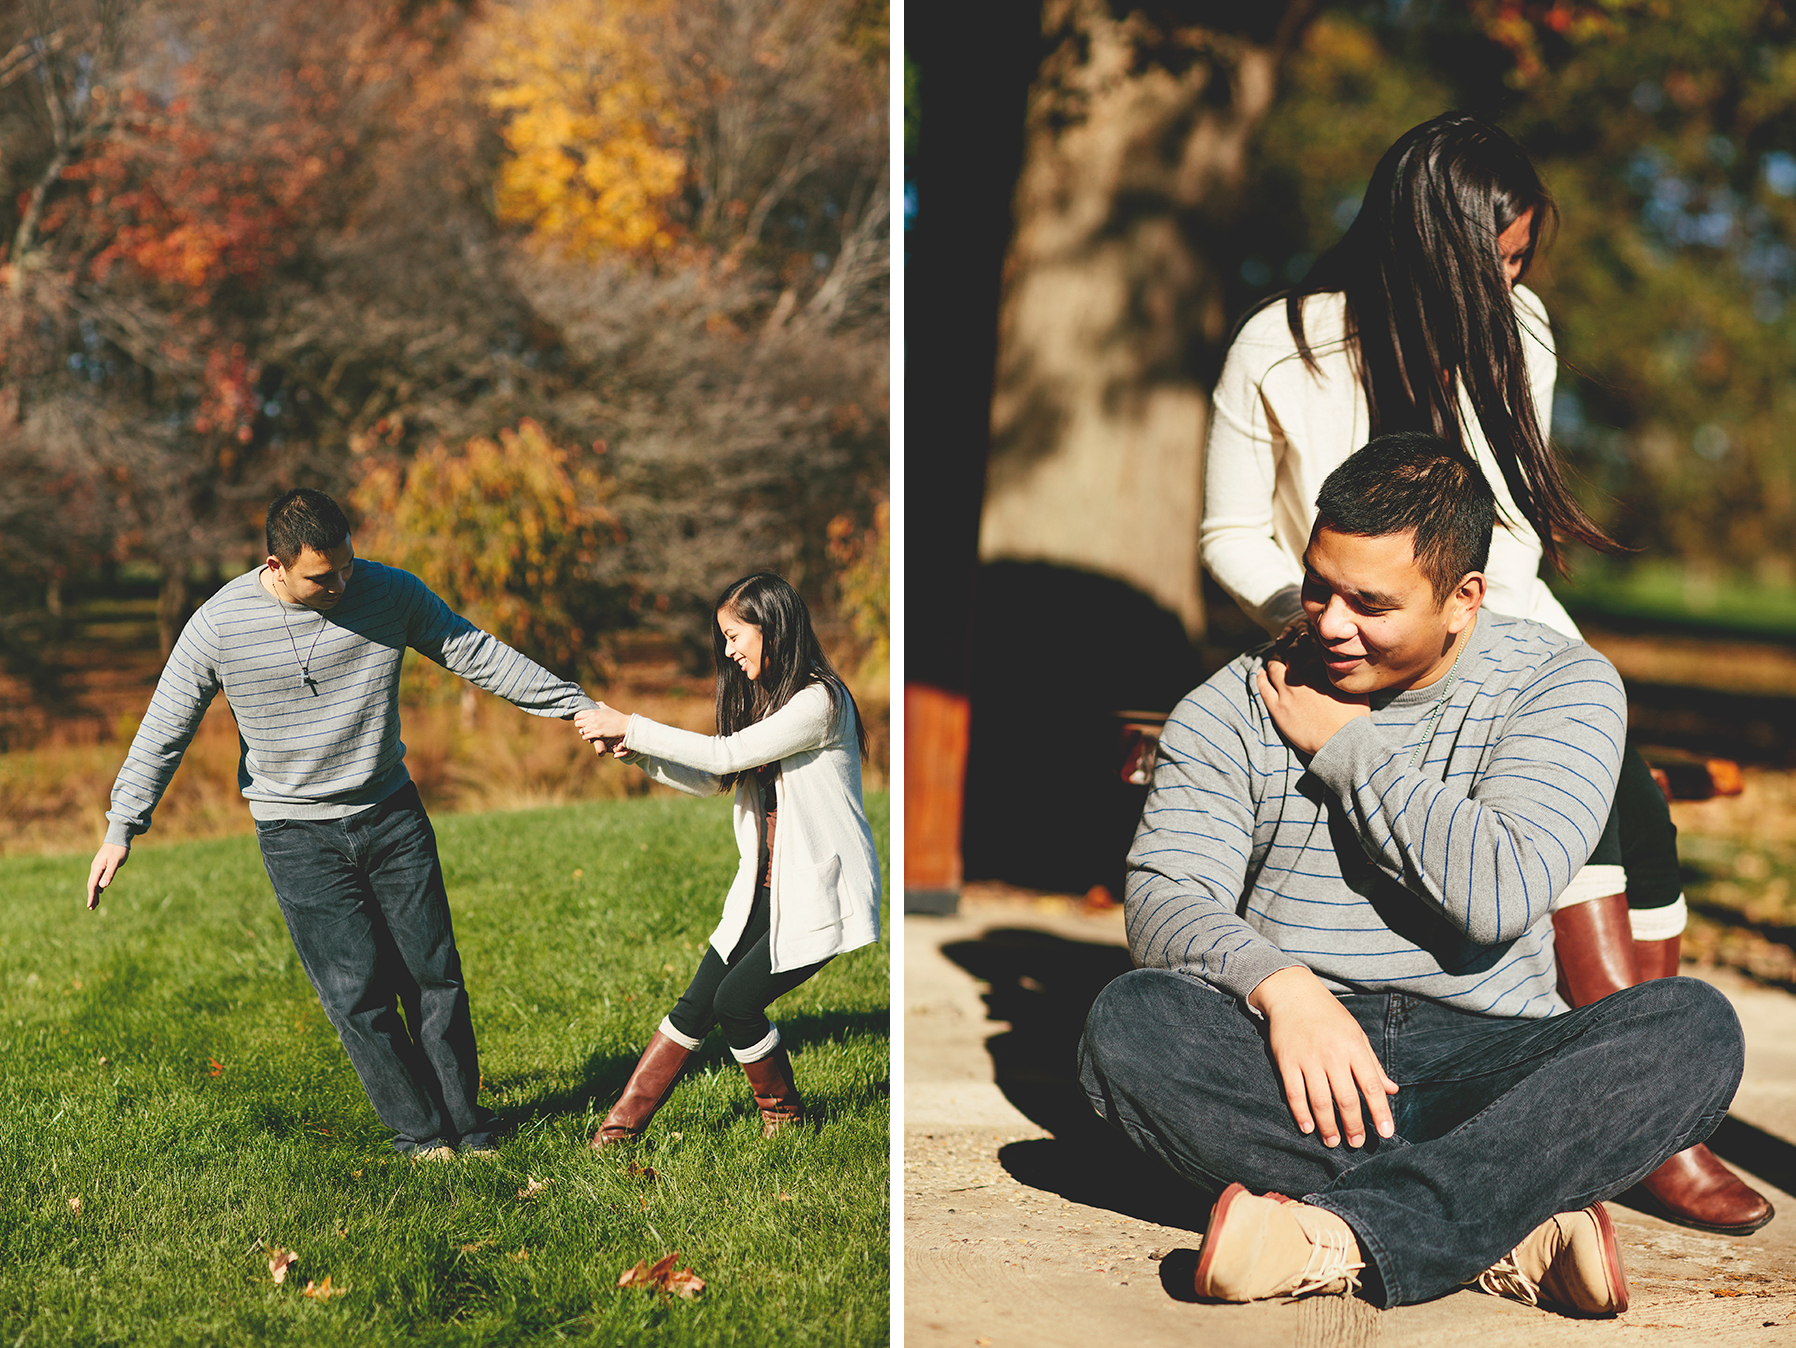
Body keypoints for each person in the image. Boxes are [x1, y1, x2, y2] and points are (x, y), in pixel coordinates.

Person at [1197, 112, 1766, 1233]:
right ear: (1432, 244)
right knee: (1587, 779)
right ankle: (1650, 1127)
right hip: (1335, 642)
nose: (1511, 282)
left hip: (1487, 624)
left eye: (1519, 263)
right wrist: (1329, 627)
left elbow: (1504, 538)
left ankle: (1635, 1100)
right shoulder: (1284, 346)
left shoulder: (1519, 332)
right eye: (1494, 260)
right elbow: (1228, 538)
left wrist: (1517, 665)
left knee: (1624, 785)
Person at [1080, 434, 1745, 1314]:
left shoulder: (1562, 687)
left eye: (1370, 603)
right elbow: (1166, 894)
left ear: (1464, 600)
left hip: (1497, 1058)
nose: (1328, 623)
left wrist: (1349, 748)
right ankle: (1501, 1223)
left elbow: (1499, 893)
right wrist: (1283, 988)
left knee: (1694, 1030)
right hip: (1302, 1062)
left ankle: (1331, 1238)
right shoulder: (1238, 701)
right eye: (1319, 585)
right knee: (1127, 1028)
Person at [85, 488, 596, 1159]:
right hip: (298, 836)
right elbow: (165, 727)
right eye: (322, 577)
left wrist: (575, 706)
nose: (342, 584)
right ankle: (419, 1135)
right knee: (357, 996)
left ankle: (470, 1127)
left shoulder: (388, 592)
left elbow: (478, 653)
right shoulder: (218, 625)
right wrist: (124, 825)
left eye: (348, 567)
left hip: (391, 814)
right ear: (275, 566)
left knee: (433, 975)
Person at [573, 572, 880, 1145]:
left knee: (736, 1002)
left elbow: (726, 753)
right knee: (696, 1004)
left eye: (735, 635)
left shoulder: (819, 701)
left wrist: (631, 722)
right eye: (725, 638)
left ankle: (785, 1122)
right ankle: (618, 1130)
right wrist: (635, 752)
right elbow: (720, 775)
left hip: (817, 891)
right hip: (764, 891)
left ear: (773, 626)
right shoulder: (771, 701)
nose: (729, 650)